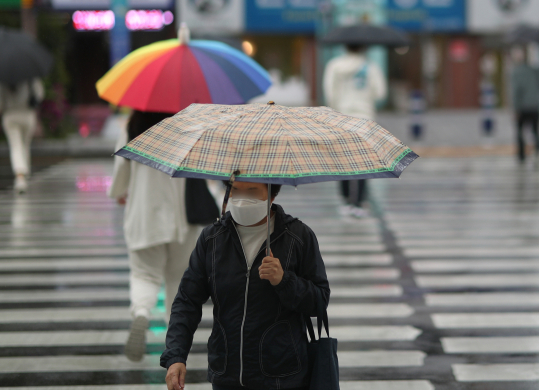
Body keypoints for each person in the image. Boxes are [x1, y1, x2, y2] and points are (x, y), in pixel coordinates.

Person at [161, 180, 330, 390]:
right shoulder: (212, 239)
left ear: (272, 194)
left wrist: (284, 280)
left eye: (252, 191)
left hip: (281, 376)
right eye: (235, 190)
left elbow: (320, 301)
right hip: (226, 375)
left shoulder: (298, 237)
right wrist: (176, 355)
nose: (242, 199)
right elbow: (187, 301)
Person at [108, 110, 204, 362]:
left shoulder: (133, 127)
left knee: (144, 274)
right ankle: (175, 343)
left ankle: (141, 312)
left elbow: (121, 170)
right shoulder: (187, 125)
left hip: (144, 216)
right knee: (178, 280)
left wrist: (118, 192)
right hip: (182, 218)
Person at [323, 44, 387, 217]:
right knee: (363, 161)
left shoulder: (334, 65)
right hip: (364, 117)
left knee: (342, 160)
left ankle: (345, 200)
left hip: (341, 117)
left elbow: (330, 94)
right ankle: (359, 202)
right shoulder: (370, 66)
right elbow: (380, 93)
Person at [0, 78, 44, 193]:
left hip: (10, 115)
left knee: (16, 146)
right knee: (25, 145)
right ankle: (24, 174)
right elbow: (39, 94)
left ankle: (20, 176)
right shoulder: (30, 77)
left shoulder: (2, 80)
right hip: (27, 114)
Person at [511, 46, 539, 162]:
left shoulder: (516, 72)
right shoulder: (535, 71)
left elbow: (516, 92)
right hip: (535, 106)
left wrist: (515, 108)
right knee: (536, 131)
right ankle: (538, 151)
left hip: (523, 107)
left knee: (520, 132)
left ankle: (521, 155)